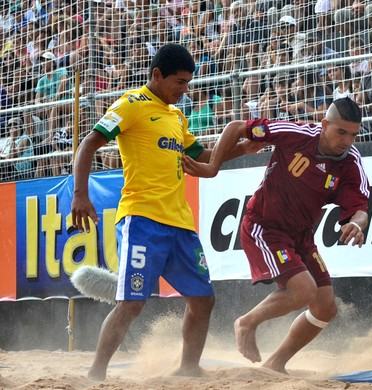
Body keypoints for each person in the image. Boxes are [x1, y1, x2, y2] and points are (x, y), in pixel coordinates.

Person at [70, 43, 258, 381]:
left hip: (180, 224)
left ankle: (188, 369)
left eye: (188, 83)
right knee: (131, 304)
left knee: (203, 300)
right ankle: (96, 373)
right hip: (142, 220)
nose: (185, 90)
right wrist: (80, 194)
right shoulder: (131, 105)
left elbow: (202, 157)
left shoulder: (176, 116)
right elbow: (89, 144)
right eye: (180, 82)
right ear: (157, 75)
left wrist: (243, 148)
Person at [181, 97, 370, 374]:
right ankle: (246, 322)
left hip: (301, 235)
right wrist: (212, 168)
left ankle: (277, 362)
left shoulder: (351, 163)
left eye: (353, 135)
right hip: (263, 225)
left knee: (326, 307)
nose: (347, 141)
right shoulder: (297, 134)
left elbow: (361, 208)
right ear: (324, 124)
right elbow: (235, 127)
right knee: (304, 290)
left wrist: (358, 224)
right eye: (341, 132)